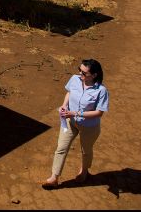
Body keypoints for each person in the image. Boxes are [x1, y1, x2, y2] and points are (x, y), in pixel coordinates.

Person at [42, 59, 109, 189]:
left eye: (84, 73)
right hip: (70, 122)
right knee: (61, 147)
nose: (80, 74)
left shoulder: (101, 91)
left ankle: (84, 171)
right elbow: (69, 92)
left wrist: (75, 113)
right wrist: (64, 105)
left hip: (89, 127)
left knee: (86, 151)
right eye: (79, 70)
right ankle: (54, 178)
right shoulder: (75, 79)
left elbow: (99, 113)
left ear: (94, 75)